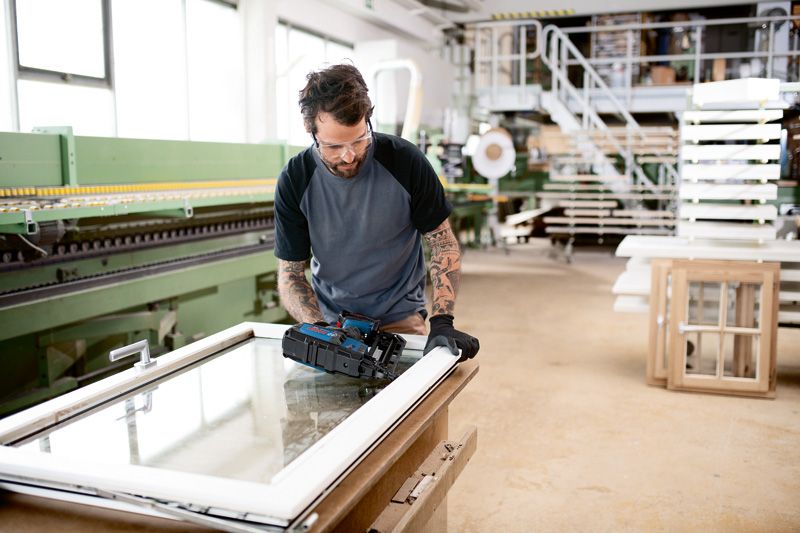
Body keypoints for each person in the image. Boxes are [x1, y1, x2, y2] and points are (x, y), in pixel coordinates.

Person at [273, 63, 479, 362]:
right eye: (333, 146)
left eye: (359, 140)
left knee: (413, 392)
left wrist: (442, 321)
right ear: (310, 130)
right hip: (332, 321)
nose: (349, 156)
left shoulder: (404, 161)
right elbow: (291, 273)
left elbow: (443, 243)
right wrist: (319, 330)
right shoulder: (295, 178)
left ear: (368, 120)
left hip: (400, 318)